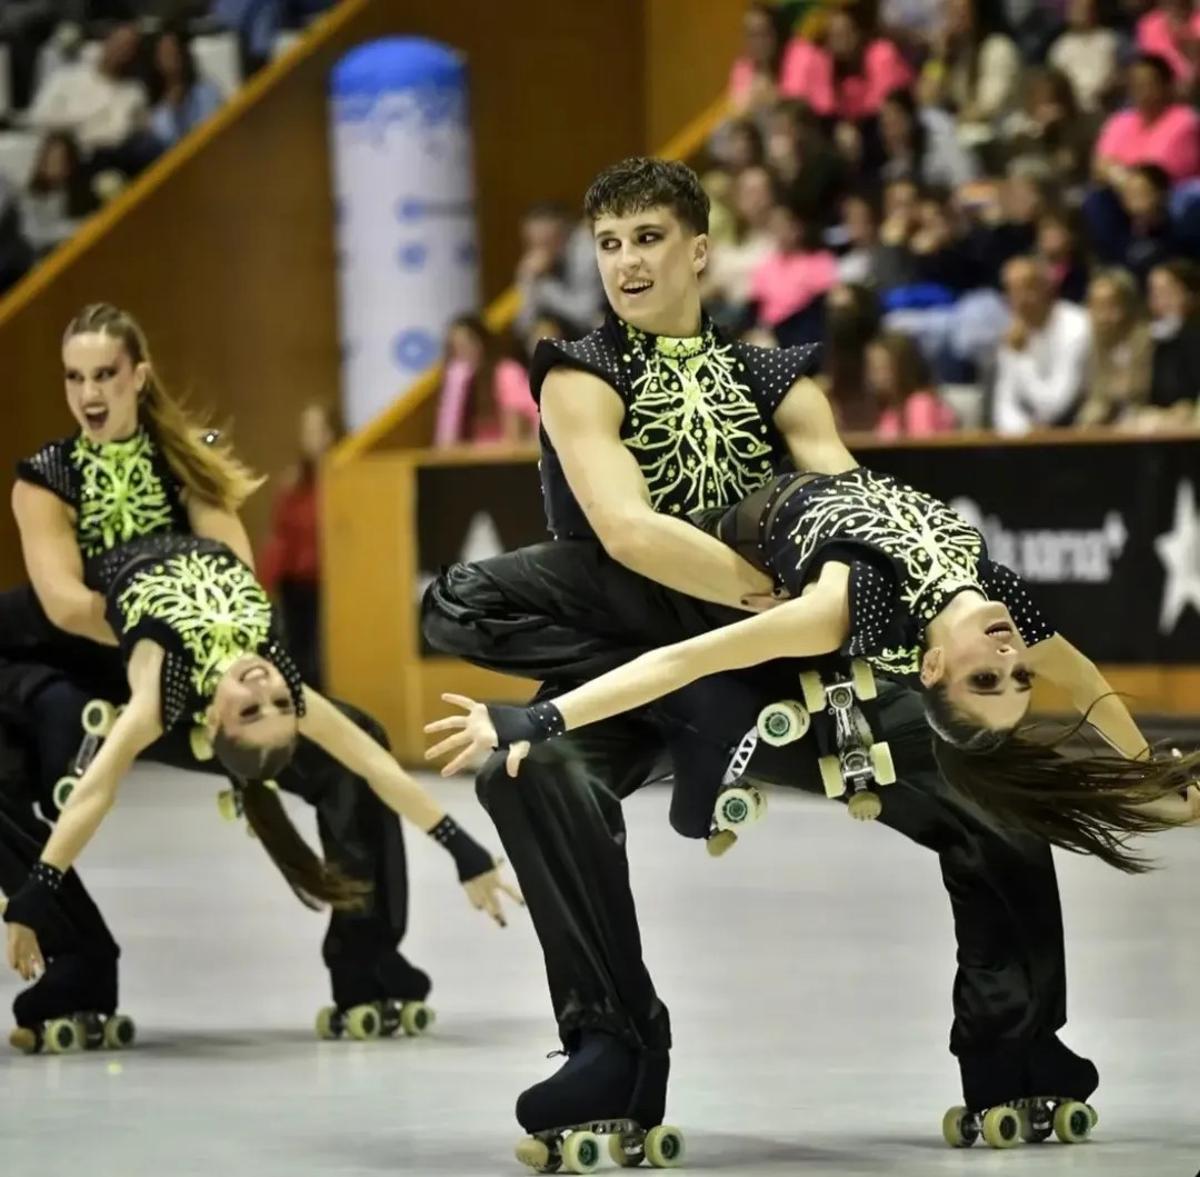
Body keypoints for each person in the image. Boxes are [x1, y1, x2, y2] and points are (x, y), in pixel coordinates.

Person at [423, 156, 1104, 1154]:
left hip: (770, 673)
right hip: (649, 638)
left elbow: (855, 507)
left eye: (647, 238)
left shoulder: (770, 377)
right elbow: (627, 528)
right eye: (608, 245)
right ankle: (614, 1048)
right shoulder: (580, 369)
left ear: (699, 248)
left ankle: (1019, 1045)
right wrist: (777, 598)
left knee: (988, 787)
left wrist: (824, 613)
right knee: (524, 763)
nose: (626, 263)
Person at [426, 461, 1199, 867]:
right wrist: (1145, 776)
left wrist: (540, 715)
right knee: (705, 691)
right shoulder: (994, 591)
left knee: (468, 599)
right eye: (1015, 676)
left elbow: (682, 656)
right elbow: (1088, 679)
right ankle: (709, 752)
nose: (1008, 658)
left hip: (713, 570)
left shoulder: (847, 602)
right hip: (766, 530)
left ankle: (707, 755)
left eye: (986, 679)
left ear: (931, 667)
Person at [2, 529, 520, 985]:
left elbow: (95, 792)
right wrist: (464, 850)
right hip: (197, 530)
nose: (263, 688)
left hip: (95, 558)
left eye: (250, 711)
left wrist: (35, 895)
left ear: (210, 722)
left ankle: (52, 718)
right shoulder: (284, 679)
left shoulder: (162, 692)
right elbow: (372, 764)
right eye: (277, 704)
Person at [259, 402, 339, 688]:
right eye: (305, 430)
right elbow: (281, 538)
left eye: (315, 429)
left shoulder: (347, 481)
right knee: (300, 662)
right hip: (298, 587)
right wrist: (263, 586)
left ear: (331, 433)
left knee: (326, 663)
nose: (308, 437)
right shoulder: (295, 483)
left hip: (335, 587)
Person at [992, 256, 1091, 433]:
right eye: (1012, 291)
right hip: (1028, 439)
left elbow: (1056, 404)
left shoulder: (1076, 326)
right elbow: (1004, 404)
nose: (1020, 299)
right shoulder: (1014, 331)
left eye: (1027, 289)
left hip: (1074, 431)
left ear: (1047, 289)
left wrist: (1020, 356)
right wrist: (1023, 432)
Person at [433, 315, 539, 446]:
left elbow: (515, 432)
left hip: (509, 456)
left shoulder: (506, 372)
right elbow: (447, 440)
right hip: (472, 457)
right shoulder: (457, 379)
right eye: (456, 348)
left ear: (482, 342)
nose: (462, 353)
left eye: (466, 344)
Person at [866, 330, 958, 436]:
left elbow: (921, 449)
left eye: (880, 369)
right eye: (870, 368)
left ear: (903, 370)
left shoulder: (919, 404)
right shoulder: (888, 408)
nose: (872, 377)